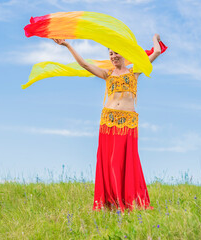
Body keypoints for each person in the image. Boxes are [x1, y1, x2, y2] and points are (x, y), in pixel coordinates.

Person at [53, 34, 162, 212]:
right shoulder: (107, 74)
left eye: (116, 53)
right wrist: (67, 45)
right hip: (108, 121)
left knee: (127, 161)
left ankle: (128, 202)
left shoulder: (135, 71)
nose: (113, 56)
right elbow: (84, 65)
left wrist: (155, 38)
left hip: (127, 122)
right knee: (110, 162)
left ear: (125, 55)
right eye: (110, 54)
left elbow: (157, 52)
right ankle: (111, 204)